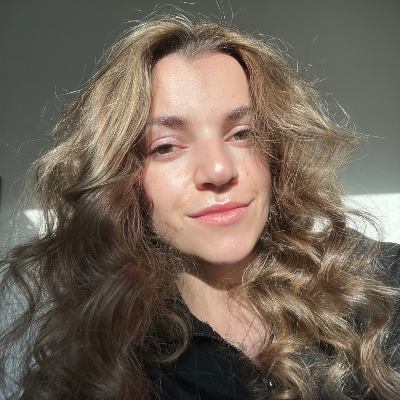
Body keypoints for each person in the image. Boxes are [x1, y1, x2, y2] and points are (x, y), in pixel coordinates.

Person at [1, 12, 399, 400]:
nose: (219, 170)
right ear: (122, 178)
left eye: (242, 133)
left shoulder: (379, 287)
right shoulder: (99, 364)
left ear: (276, 153)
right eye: (165, 147)